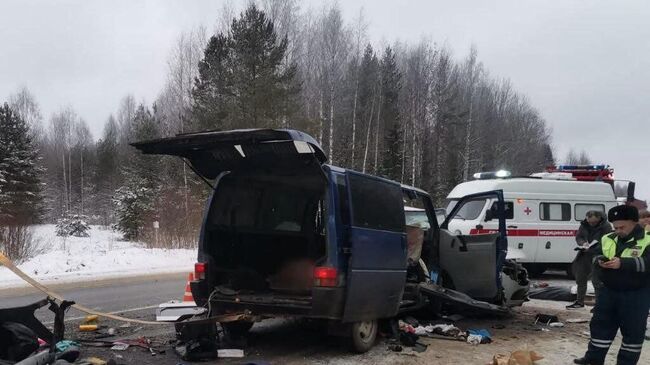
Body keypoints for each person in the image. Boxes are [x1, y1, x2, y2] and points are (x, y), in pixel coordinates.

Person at [574, 205, 650, 365]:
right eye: (615, 227)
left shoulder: (647, 239)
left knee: (633, 333)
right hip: (609, 291)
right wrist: (599, 260)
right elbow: (597, 254)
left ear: (634, 222)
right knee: (600, 326)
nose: (618, 230)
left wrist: (623, 263)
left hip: (636, 294)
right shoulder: (609, 237)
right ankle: (593, 359)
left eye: (622, 227)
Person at [567, 210, 612, 309]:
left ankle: (599, 305)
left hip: (598, 254)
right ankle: (579, 302)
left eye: (594, 222)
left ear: (600, 219)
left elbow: (607, 242)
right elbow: (579, 237)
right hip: (584, 254)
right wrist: (583, 243)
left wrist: (594, 248)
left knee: (596, 280)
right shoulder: (584, 224)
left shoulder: (606, 226)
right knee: (580, 278)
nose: (591, 224)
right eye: (590, 222)